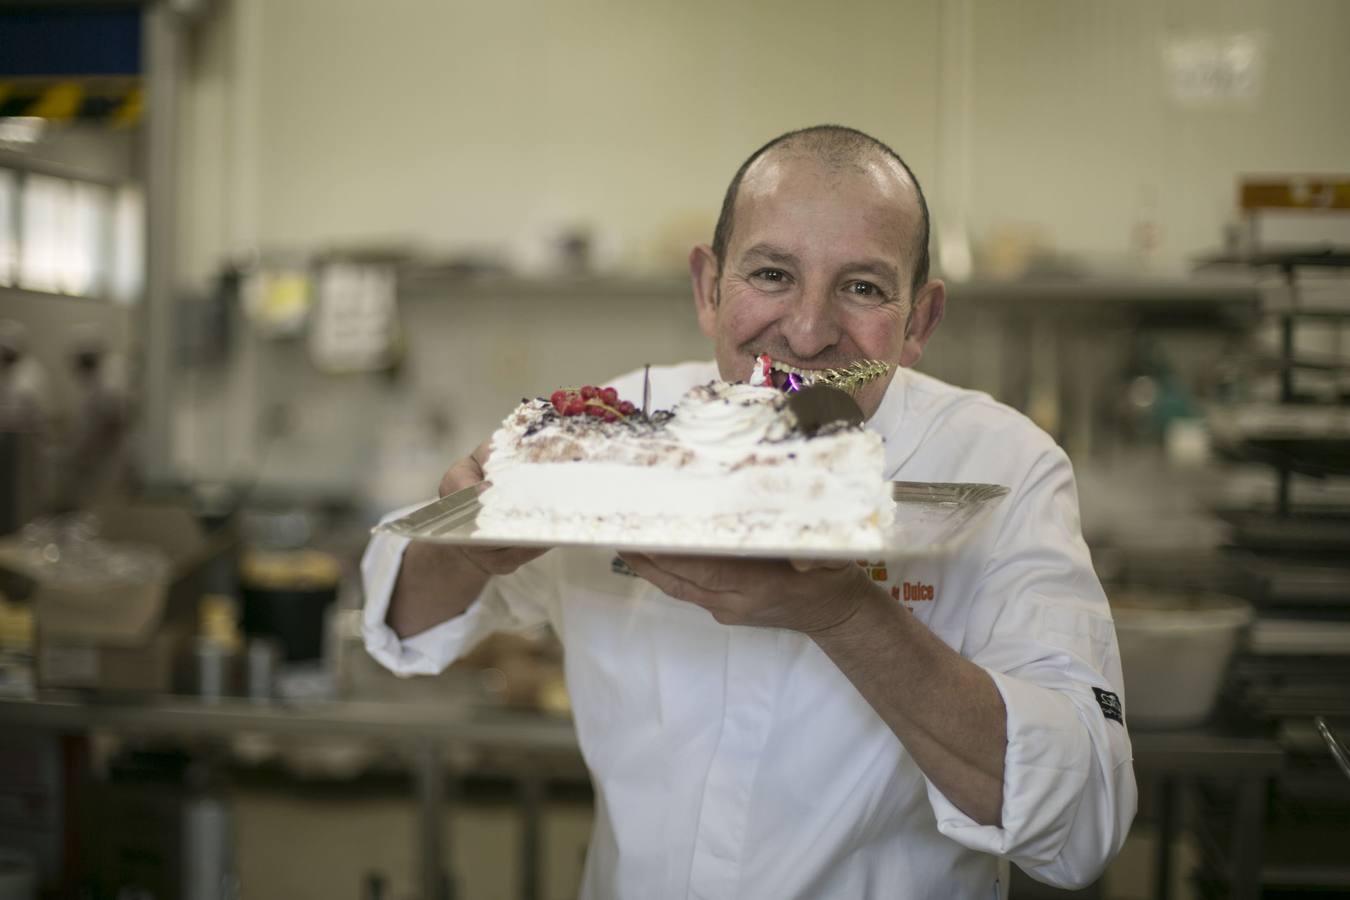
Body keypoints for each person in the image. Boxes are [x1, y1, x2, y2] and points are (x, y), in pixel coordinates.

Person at [362, 125, 1136, 899]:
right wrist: (467, 544)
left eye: (862, 287)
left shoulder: (1001, 465)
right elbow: (403, 618)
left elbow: (1083, 821)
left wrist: (844, 616)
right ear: (708, 288)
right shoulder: (610, 434)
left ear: (919, 323)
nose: (806, 331)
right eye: (771, 274)